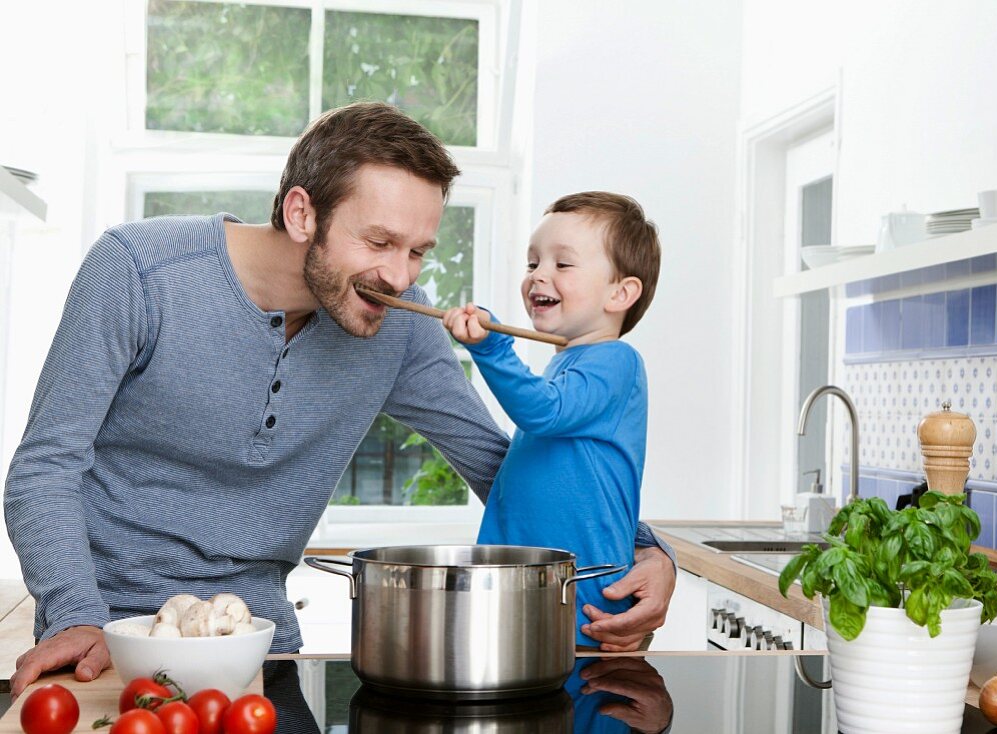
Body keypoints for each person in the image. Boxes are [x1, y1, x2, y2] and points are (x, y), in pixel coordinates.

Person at [3, 102, 676, 697]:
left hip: (262, 649)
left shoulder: (401, 326)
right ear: (302, 213)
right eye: (380, 242)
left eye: (418, 252)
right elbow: (44, 467)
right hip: (109, 637)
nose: (401, 275)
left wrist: (644, 554)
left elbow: (504, 465)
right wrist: (73, 614)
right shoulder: (138, 271)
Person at [442, 191, 659, 647]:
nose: (539, 275)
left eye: (563, 264)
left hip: (584, 602)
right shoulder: (565, 365)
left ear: (620, 293)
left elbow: (544, 410)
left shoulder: (616, 362)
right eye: (532, 263)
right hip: (529, 594)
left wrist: (491, 348)